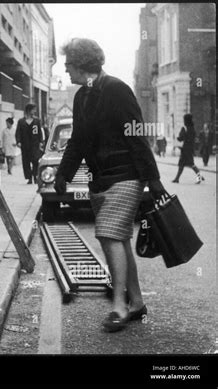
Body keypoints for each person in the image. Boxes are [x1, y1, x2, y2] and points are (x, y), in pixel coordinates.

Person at [53, 38, 166, 332]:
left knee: (107, 233)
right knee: (118, 238)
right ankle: (137, 301)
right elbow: (78, 141)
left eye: (69, 65)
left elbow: (136, 135)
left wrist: (153, 180)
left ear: (83, 64)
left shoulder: (116, 89)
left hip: (126, 176)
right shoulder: (81, 97)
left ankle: (119, 305)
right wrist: (63, 174)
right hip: (100, 180)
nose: (65, 70)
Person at [15, 104, 45, 184]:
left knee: (35, 161)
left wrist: (41, 142)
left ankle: (35, 176)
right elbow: (18, 133)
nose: (34, 111)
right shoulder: (21, 121)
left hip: (34, 145)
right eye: (33, 109)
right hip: (25, 145)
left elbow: (40, 133)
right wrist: (18, 142)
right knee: (26, 162)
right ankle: (29, 178)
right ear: (28, 110)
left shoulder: (37, 121)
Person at [172, 114, 205, 184]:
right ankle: (177, 178)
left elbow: (188, 139)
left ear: (187, 120)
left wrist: (182, 135)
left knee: (191, 164)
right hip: (185, 150)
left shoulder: (190, 129)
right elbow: (182, 139)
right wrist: (180, 137)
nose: (183, 121)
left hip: (188, 150)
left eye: (184, 120)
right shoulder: (188, 128)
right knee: (181, 164)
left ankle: (199, 177)